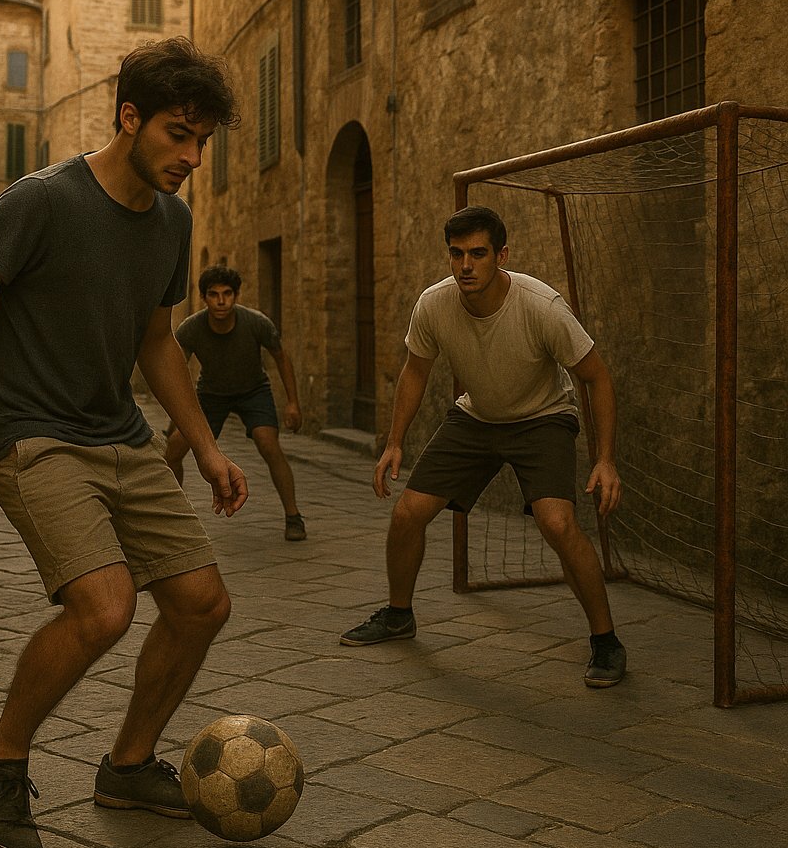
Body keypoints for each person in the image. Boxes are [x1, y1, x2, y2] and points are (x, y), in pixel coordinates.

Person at [0, 37, 247, 848]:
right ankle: (0, 762)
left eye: (202, 141)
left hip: (120, 437)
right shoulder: (43, 201)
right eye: (177, 134)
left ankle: (128, 765)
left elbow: (157, 341)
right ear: (129, 118)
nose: (191, 157)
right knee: (105, 606)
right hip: (33, 435)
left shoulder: (172, 219)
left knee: (203, 604)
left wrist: (201, 446)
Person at [340, 205, 627, 689]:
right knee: (407, 513)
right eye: (456, 254)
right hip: (476, 417)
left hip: (543, 417)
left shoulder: (541, 306)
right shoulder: (434, 304)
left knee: (558, 523)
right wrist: (394, 442)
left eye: (477, 253)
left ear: (501, 255)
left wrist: (605, 459)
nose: (466, 265)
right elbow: (415, 371)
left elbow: (596, 376)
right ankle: (398, 615)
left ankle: (606, 641)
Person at [165, 265, 307, 541]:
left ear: (236, 295)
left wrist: (293, 402)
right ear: (204, 298)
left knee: (267, 442)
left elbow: (281, 357)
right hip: (211, 394)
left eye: (227, 294)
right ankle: (173, 518)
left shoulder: (256, 323)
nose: (221, 301)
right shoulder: (191, 328)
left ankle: (293, 515)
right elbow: (173, 368)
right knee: (174, 446)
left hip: (253, 390)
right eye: (214, 295)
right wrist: (177, 412)